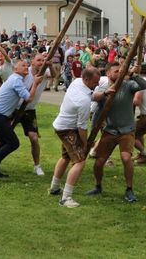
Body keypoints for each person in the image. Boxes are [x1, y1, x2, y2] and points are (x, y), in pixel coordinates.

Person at [85, 61, 146, 203]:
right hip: (110, 131)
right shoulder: (103, 88)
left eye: (121, 71)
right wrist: (104, 94)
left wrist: (134, 74)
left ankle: (129, 189)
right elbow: (93, 98)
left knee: (126, 158)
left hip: (127, 131)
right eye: (116, 71)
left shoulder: (128, 85)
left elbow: (144, 85)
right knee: (99, 162)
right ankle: (98, 186)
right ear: (108, 73)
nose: (119, 73)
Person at [49, 67, 102, 208]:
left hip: (61, 125)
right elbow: (82, 127)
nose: (96, 85)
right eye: (95, 82)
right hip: (68, 129)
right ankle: (65, 198)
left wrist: (104, 94)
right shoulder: (83, 101)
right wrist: (85, 144)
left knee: (66, 157)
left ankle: (54, 188)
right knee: (80, 161)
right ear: (86, 79)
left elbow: (92, 94)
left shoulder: (77, 82)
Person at [0, 55, 43, 178]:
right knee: (13, 142)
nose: (26, 67)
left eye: (27, 65)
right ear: (15, 69)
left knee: (6, 140)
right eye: (23, 65)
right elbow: (29, 98)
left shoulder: (16, 79)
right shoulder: (16, 79)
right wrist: (35, 84)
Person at [16, 52, 49, 176]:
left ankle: (37, 165)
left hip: (29, 110)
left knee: (34, 138)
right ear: (33, 62)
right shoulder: (25, 72)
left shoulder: (45, 73)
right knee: (1, 135)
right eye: (39, 60)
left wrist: (49, 65)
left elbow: (55, 75)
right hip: (15, 108)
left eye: (43, 60)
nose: (41, 63)